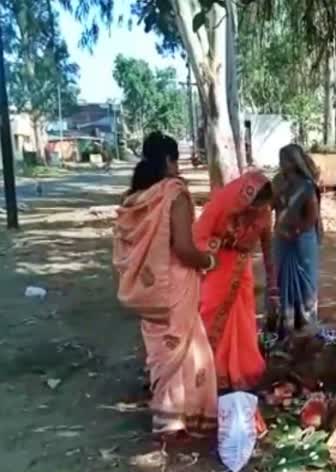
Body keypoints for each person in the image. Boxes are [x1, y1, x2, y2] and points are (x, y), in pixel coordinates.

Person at [112, 132, 218, 438]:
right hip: (174, 286)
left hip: (147, 289)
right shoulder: (174, 193)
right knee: (190, 351)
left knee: (163, 352)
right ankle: (186, 419)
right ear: (171, 160)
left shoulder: (134, 197)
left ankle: (167, 417)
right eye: (177, 160)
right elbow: (184, 248)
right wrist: (209, 261)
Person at [194, 169, 276, 391]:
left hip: (242, 271)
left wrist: (273, 286)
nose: (258, 208)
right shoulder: (223, 203)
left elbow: (268, 249)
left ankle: (241, 372)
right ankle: (207, 371)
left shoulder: (264, 213)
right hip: (218, 267)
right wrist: (221, 246)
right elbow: (197, 236)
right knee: (210, 312)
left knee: (243, 322)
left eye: (263, 203)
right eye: (255, 202)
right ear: (245, 195)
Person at [273, 144, 322, 337]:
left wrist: (296, 231)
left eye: (284, 159)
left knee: (305, 277)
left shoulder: (307, 186)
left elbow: (312, 216)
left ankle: (307, 321)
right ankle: (286, 320)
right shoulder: (277, 181)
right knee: (281, 277)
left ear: (293, 162)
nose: (281, 163)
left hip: (302, 238)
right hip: (281, 238)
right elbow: (271, 205)